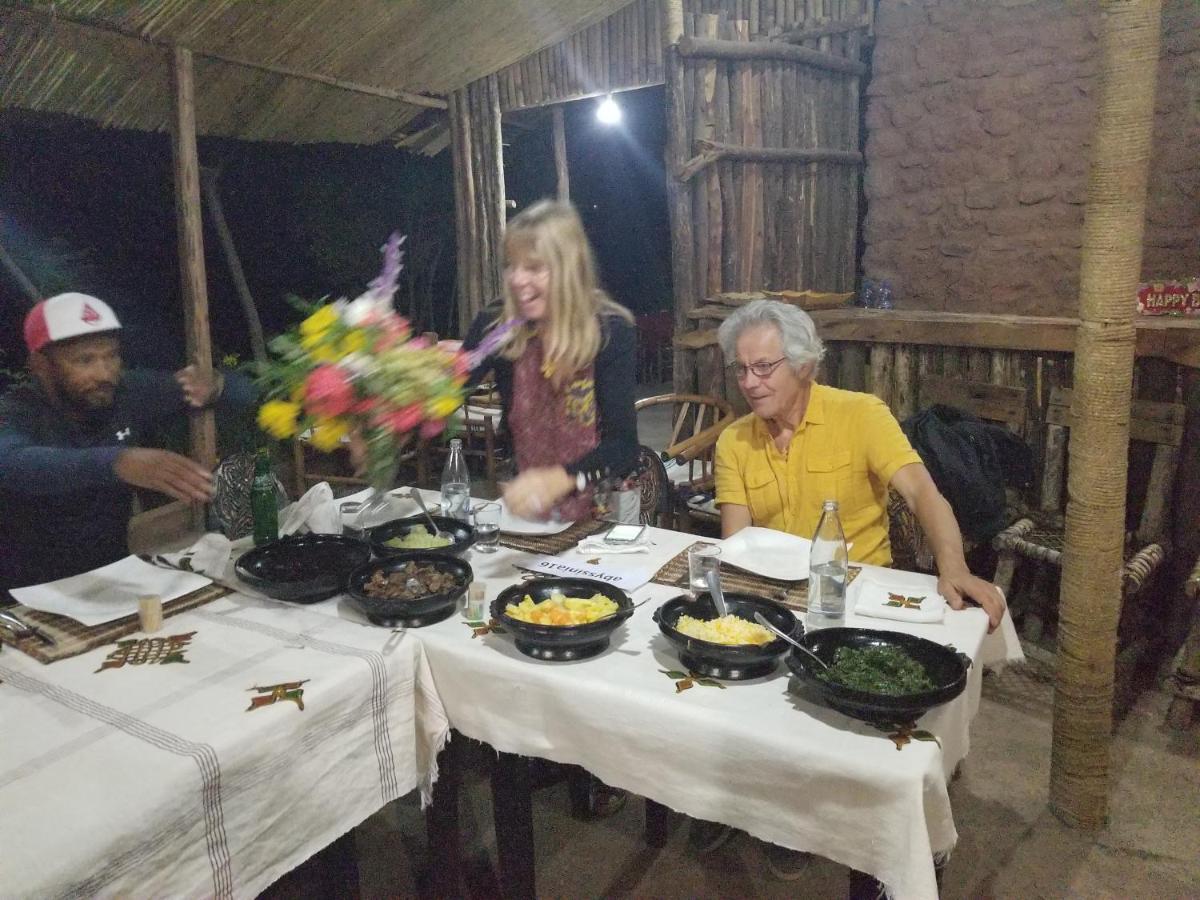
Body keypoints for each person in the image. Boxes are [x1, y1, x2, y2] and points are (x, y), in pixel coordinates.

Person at [714, 299, 1005, 628]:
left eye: (764, 367)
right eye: (741, 368)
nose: (749, 383)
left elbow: (922, 493)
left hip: (859, 594)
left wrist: (954, 567)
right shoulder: (733, 441)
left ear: (804, 365)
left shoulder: (861, 415)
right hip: (772, 599)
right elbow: (736, 544)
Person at [0, 292, 256, 589]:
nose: (104, 372)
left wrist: (217, 384)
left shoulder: (125, 393)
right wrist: (118, 461)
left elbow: (247, 393)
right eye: (84, 360)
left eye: (111, 355)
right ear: (40, 365)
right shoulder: (15, 410)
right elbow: (13, 463)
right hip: (24, 596)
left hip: (113, 579)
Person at [462, 198, 639, 524]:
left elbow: (624, 447)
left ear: (568, 270)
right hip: (529, 513)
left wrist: (560, 479)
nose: (517, 280)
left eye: (533, 268)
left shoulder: (610, 330)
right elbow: (446, 395)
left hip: (602, 512)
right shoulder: (497, 326)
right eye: (512, 266)